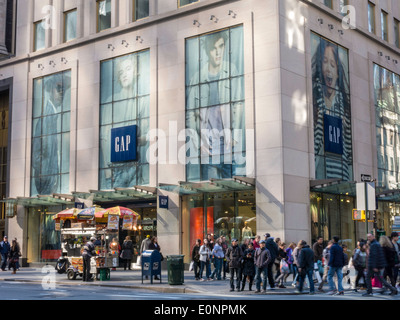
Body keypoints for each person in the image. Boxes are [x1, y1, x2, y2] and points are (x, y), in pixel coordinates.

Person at [186, 30, 244, 180]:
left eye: (221, 46)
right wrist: (198, 143)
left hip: (228, 147)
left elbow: (238, 104)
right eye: (213, 48)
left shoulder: (231, 71)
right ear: (207, 50)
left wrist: (236, 137)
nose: (218, 52)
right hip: (209, 150)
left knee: (231, 192)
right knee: (212, 194)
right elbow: (190, 114)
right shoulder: (197, 78)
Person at [312, 36, 352, 181]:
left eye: (333, 64)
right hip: (318, 176)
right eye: (324, 62)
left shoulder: (345, 109)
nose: (328, 68)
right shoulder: (313, 99)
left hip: (342, 178)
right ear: (319, 67)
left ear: (337, 72)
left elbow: (350, 156)